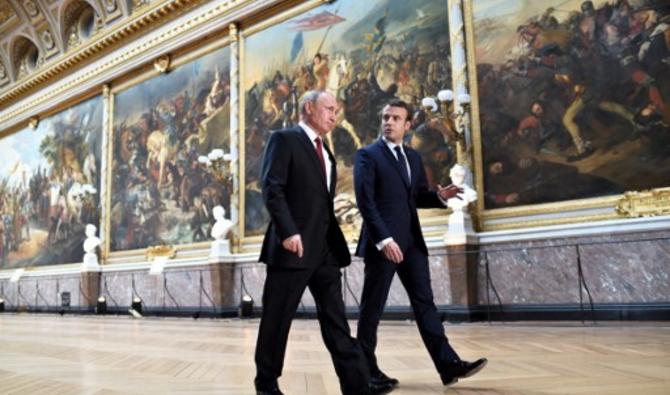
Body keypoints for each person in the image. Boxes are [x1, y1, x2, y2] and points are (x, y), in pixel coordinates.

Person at [254, 90, 393, 395]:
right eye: (328, 109)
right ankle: (266, 385)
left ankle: (356, 385)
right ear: (309, 108)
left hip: (325, 251)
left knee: (336, 322)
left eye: (336, 110)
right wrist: (288, 231)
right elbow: (272, 188)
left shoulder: (327, 152)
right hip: (293, 248)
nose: (334, 115)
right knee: (277, 320)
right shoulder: (284, 139)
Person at [354, 99, 488, 388]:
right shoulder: (368, 155)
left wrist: (441, 197)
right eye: (386, 117)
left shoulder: (413, 158)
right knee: (372, 308)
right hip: (384, 243)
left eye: (395, 118)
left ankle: (448, 365)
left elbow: (415, 197)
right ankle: (364, 370)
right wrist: (384, 239)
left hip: (412, 242)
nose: (388, 122)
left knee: (425, 304)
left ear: (407, 124)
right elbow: (365, 201)